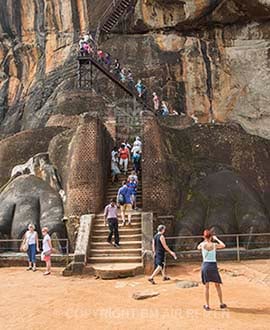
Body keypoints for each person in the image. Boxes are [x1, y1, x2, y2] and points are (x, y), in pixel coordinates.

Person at [197, 229, 227, 311]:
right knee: (217, 285)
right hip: (213, 265)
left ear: (204, 236)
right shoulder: (214, 245)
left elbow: (198, 247)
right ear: (211, 236)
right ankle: (221, 303)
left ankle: (207, 305)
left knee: (206, 286)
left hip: (205, 265)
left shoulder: (202, 244)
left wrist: (205, 239)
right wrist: (216, 239)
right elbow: (223, 245)